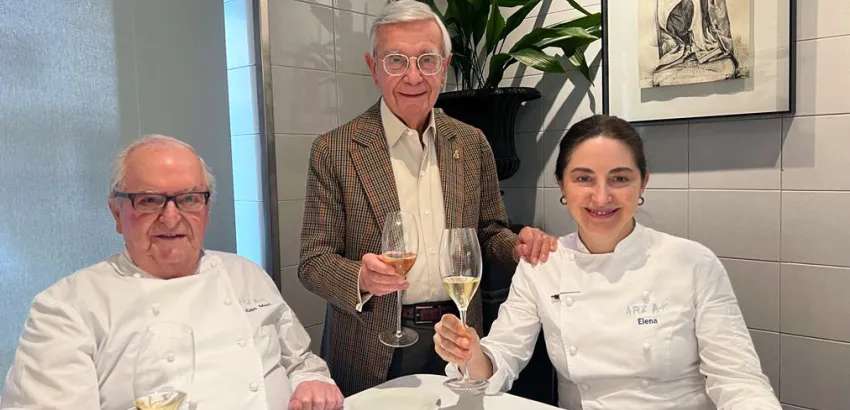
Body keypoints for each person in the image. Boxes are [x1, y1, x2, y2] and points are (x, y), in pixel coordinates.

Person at [297, 0, 557, 397]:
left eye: (427, 60)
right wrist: (361, 279)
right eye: (396, 61)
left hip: (460, 334)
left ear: (446, 64)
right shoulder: (336, 150)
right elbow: (313, 261)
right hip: (371, 341)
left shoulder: (471, 143)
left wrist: (517, 248)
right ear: (373, 68)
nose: (413, 76)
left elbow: (489, 233)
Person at [433, 115, 782, 409]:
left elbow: (739, 380)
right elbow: (503, 357)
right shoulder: (542, 264)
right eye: (583, 178)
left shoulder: (692, 262)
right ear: (562, 186)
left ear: (643, 182)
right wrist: (471, 354)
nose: (601, 196)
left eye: (619, 178)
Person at [1, 135, 343, 410]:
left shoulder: (246, 274)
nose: (170, 217)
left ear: (206, 209)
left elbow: (301, 361)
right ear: (116, 213)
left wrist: (312, 383)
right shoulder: (66, 308)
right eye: (149, 200)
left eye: (189, 199)